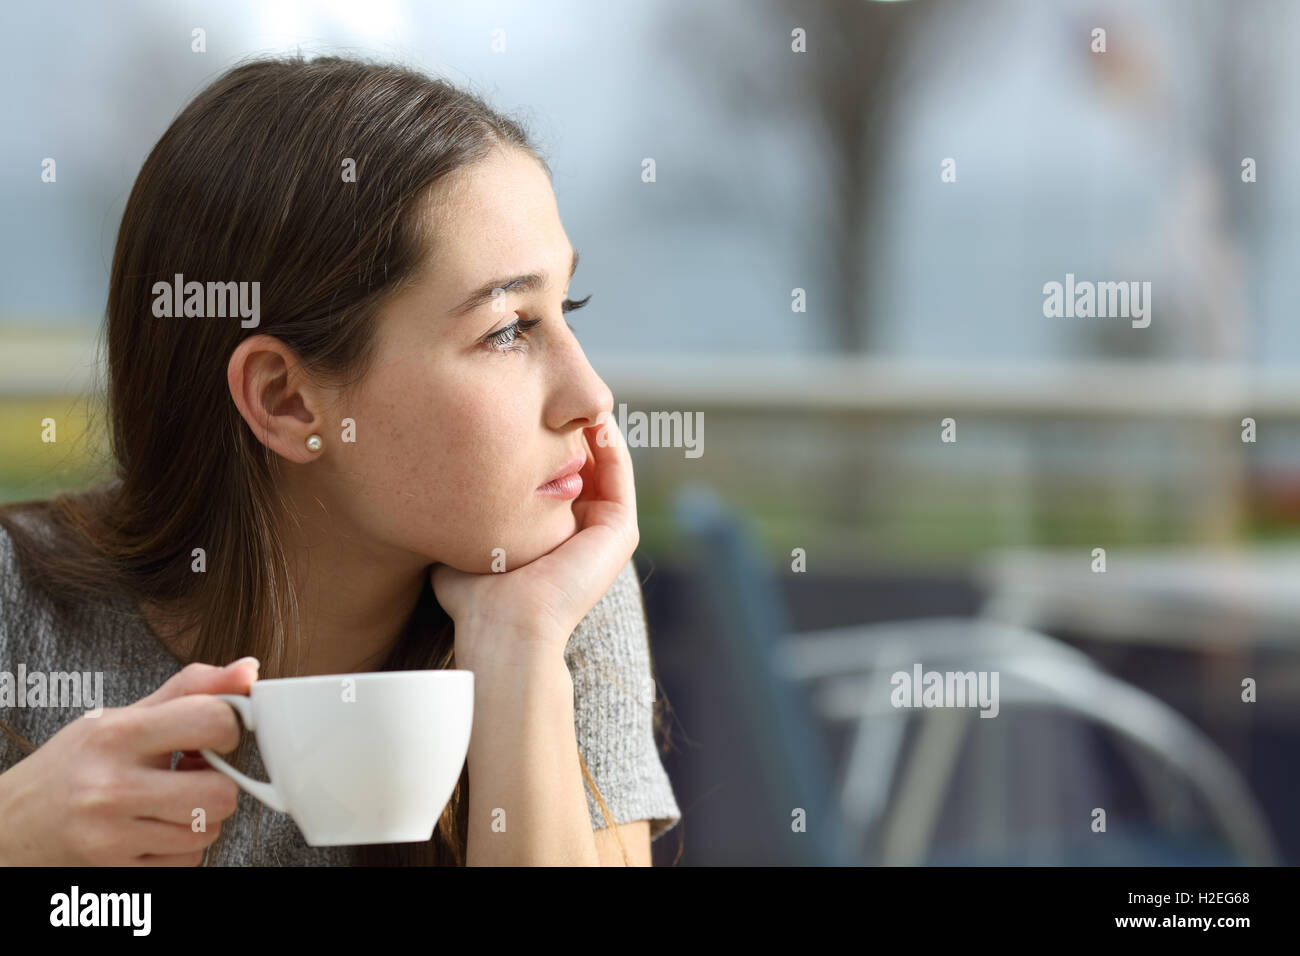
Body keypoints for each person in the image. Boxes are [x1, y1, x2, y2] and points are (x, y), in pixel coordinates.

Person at [0, 55, 680, 866]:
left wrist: (520, 649)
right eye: (507, 329)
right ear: (286, 400)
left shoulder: (551, 591)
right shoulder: (18, 613)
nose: (593, 396)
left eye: (565, 308)